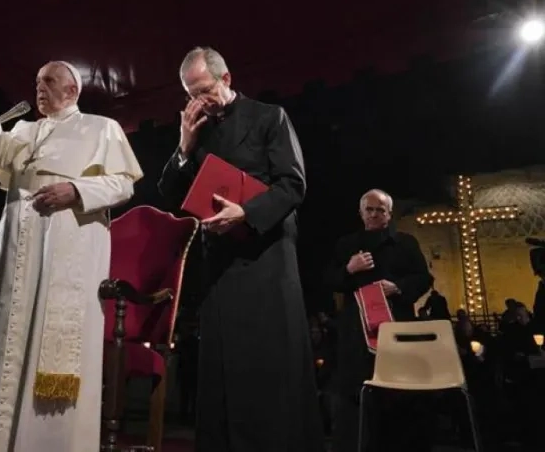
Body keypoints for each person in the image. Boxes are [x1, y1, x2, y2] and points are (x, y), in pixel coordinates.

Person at [0, 48, 143, 452]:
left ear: (73, 88)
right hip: (18, 243)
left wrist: (75, 189)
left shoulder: (102, 127)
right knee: (8, 337)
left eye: (49, 81)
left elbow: (123, 185)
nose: (39, 88)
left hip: (67, 244)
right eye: (37, 82)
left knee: (49, 339)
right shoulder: (24, 130)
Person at [158, 46, 324, 452]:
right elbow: (170, 194)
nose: (199, 102)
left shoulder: (270, 117)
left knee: (270, 367)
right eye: (190, 94)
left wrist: (246, 213)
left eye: (204, 91)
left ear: (226, 79)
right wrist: (183, 146)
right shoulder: (198, 131)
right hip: (221, 268)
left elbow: (293, 184)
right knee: (224, 373)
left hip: (267, 260)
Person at [323, 189, 434, 452]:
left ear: (389, 213)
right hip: (356, 335)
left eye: (380, 210)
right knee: (357, 395)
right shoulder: (345, 245)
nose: (374, 214)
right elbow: (328, 281)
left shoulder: (406, 243)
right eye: (369, 209)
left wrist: (398, 287)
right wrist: (349, 269)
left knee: (401, 395)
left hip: (398, 330)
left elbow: (424, 279)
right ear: (360, 213)